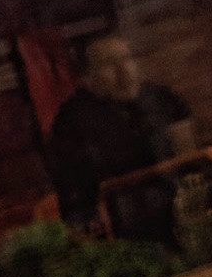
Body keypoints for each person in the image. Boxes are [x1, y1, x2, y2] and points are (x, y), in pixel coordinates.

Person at [46, 33, 188, 231]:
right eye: (108, 64)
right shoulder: (72, 120)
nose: (124, 70)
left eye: (127, 59)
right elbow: (75, 190)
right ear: (87, 77)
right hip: (122, 221)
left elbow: (188, 156)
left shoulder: (162, 99)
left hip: (180, 206)